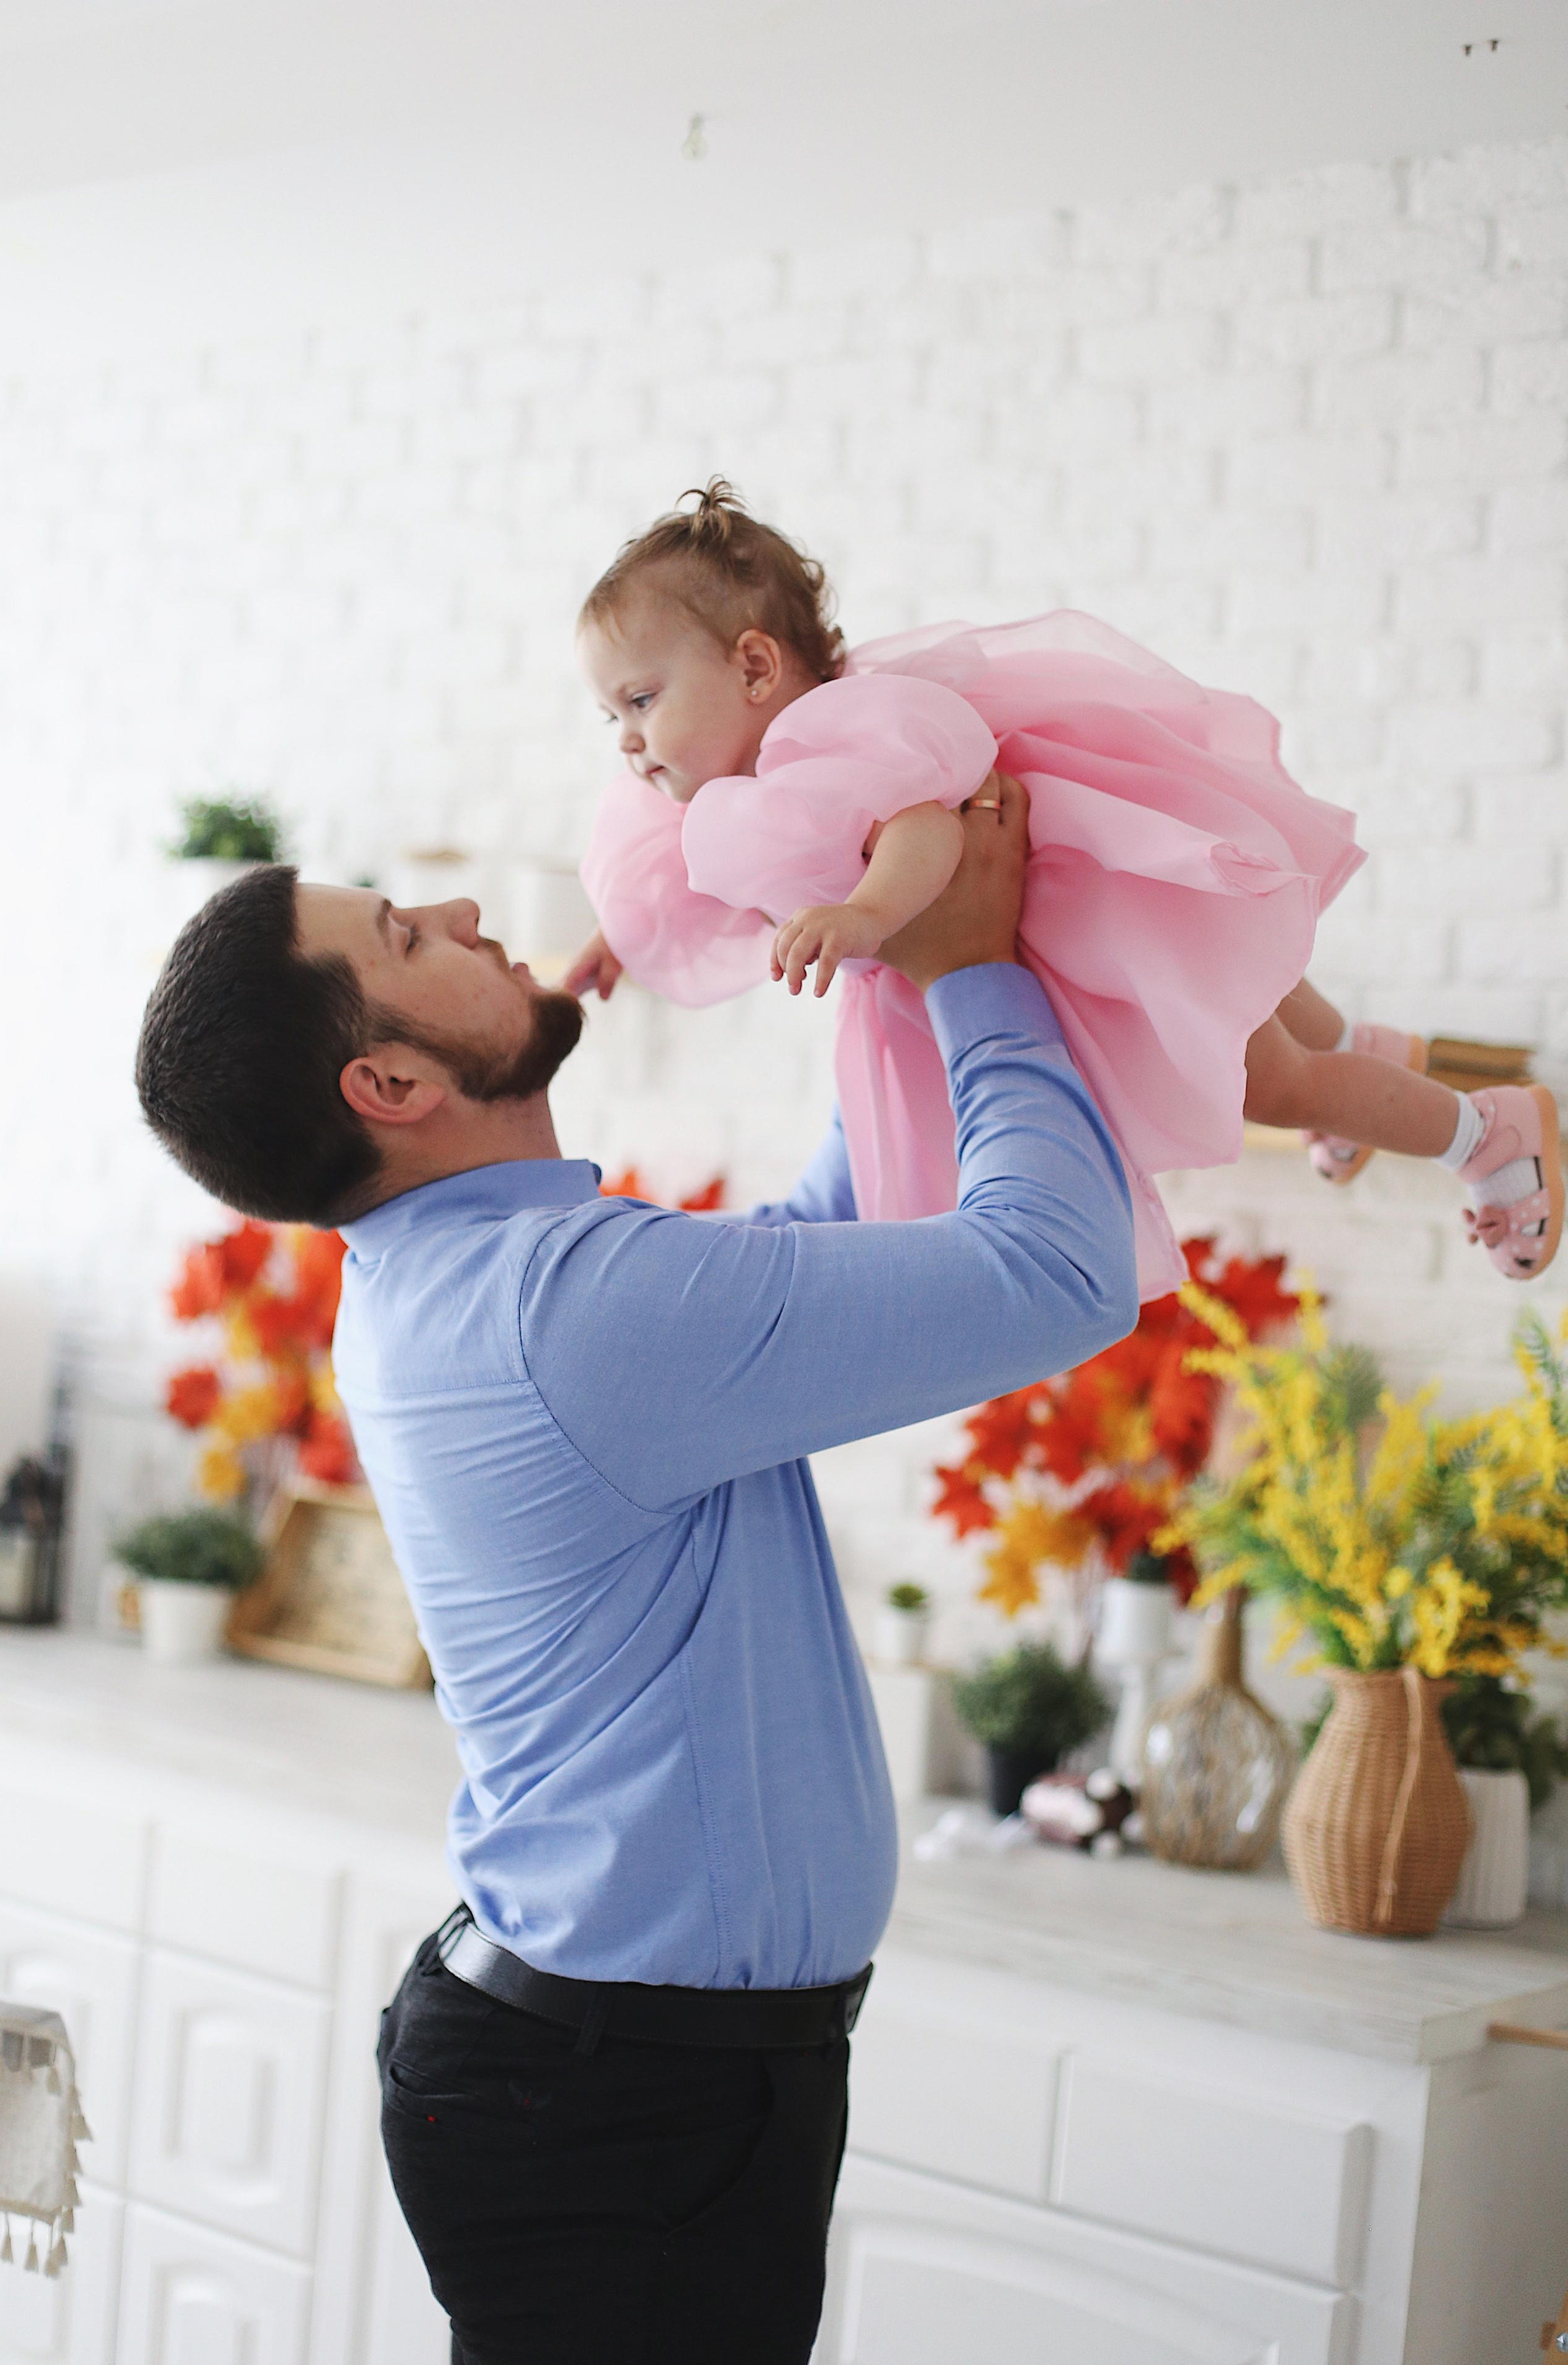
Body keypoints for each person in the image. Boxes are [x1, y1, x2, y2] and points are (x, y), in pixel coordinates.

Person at [132, 779, 1138, 2365]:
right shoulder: (562, 1305)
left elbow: (812, 1238)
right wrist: (972, 972)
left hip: (609, 2074)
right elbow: (1064, 1275)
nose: (465, 915)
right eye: (406, 934)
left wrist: (884, 954)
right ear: (388, 1079)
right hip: (624, 2100)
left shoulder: (475, 1273)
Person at [568, 480, 1562, 1286]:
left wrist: (871, 916)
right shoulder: (748, 788)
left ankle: (1486, 1134)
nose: (626, 738)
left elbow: (922, 828)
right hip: (1091, 918)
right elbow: (701, 889)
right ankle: (1358, 1051)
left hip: (1082, 920)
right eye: (611, 713)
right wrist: (622, 943)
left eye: (642, 699)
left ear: (753, 666)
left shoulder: (828, 739)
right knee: (1243, 1001)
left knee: (1269, 1078)